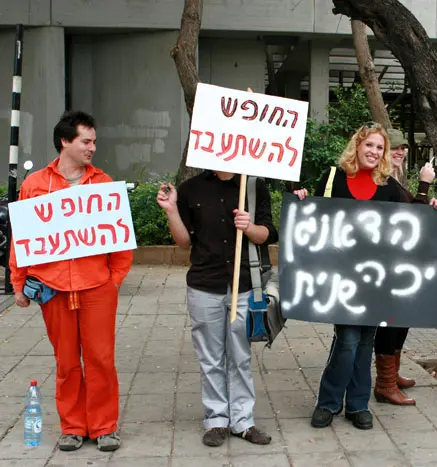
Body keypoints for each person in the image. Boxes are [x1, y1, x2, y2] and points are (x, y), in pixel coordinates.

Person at [10, 111, 133, 452]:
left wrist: (114, 280)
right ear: (65, 141)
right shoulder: (34, 185)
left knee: (100, 360)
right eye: (86, 141)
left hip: (96, 289)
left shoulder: (104, 184)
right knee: (65, 363)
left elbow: (121, 241)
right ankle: (73, 426)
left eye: (93, 141)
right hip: (54, 290)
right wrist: (18, 283)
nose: (93, 147)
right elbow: (22, 239)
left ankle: (105, 426)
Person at [293, 123, 403, 430]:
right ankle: (329, 403)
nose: (374, 152)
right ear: (357, 146)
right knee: (348, 340)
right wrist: (301, 199)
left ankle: (357, 405)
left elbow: (412, 222)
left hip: (374, 280)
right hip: (339, 278)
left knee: (364, 341)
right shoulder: (333, 178)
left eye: (380, 148)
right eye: (369, 145)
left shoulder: (389, 187)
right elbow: (314, 218)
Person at [157, 170, 277, 447]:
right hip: (204, 285)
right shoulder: (190, 189)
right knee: (210, 357)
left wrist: (249, 227)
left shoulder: (255, 185)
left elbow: (267, 234)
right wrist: (171, 210)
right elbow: (184, 242)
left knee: (240, 356)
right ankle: (216, 420)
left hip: (244, 285)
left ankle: (243, 421)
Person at [372, 129, 437, 406]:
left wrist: (430, 203)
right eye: (393, 147)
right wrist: (425, 186)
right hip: (388, 266)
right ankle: (384, 384)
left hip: (402, 264)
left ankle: (393, 375)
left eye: (402, 147)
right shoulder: (381, 181)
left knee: (401, 319)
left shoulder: (395, 179)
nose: (399, 152)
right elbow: (407, 219)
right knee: (390, 322)